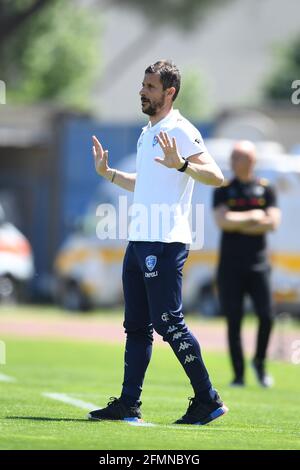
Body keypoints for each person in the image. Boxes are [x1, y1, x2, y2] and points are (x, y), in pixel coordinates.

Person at [88, 60, 228, 425]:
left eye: (150, 87)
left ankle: (208, 399)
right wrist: (110, 174)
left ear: (170, 92)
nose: (142, 91)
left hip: (164, 243)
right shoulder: (148, 131)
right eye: (143, 85)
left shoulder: (180, 129)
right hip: (139, 242)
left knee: (169, 323)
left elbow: (216, 176)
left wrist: (182, 164)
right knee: (136, 327)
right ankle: (128, 404)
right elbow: (146, 183)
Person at [213, 141, 281, 387]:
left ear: (251, 161)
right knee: (234, 319)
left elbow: (272, 223)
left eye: (237, 157)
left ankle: (260, 363)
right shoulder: (223, 189)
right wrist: (253, 216)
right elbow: (223, 222)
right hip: (230, 266)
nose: (232, 162)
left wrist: (238, 221)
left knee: (267, 316)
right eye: (232, 157)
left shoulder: (266, 189)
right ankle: (238, 374)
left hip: (259, 265)